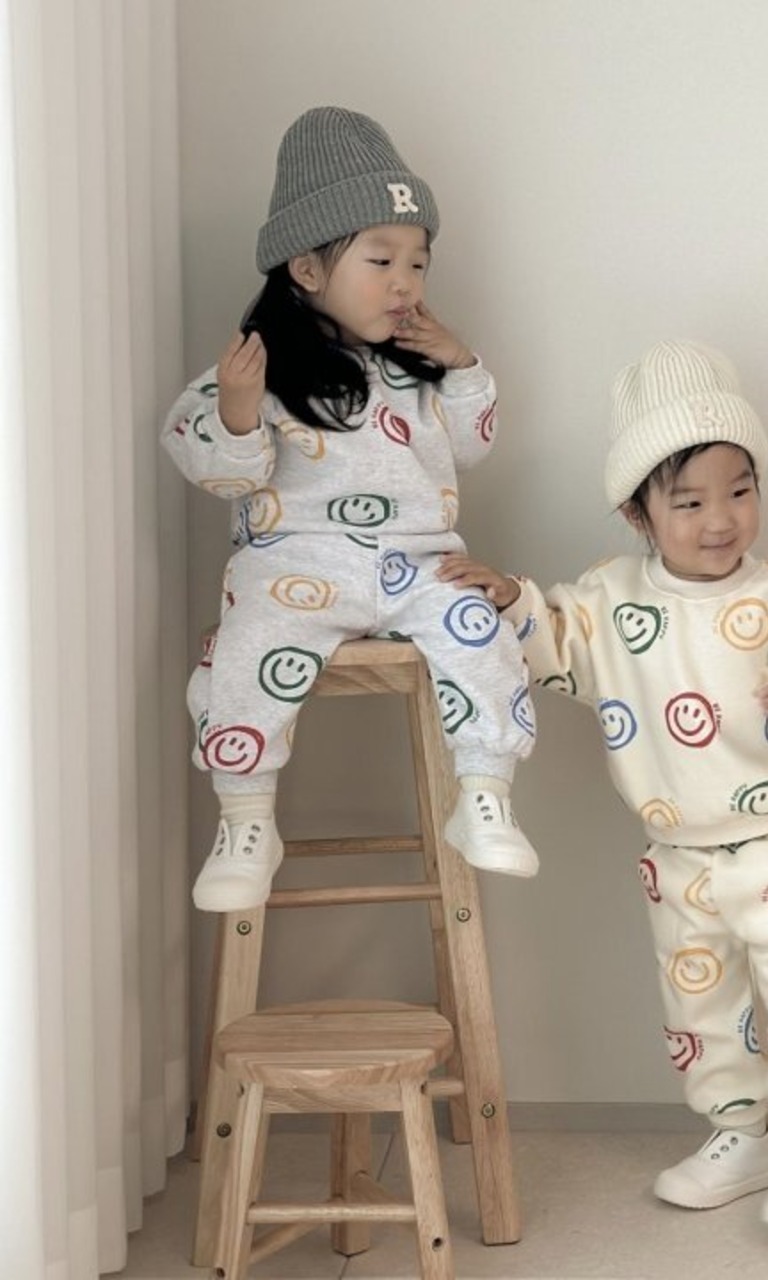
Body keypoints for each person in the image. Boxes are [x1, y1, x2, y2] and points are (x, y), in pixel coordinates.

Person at [439, 340, 768, 1236]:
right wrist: (509, 597)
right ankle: (738, 1137)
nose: (721, 520)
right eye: (690, 501)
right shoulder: (611, 597)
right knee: (702, 1011)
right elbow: (555, 641)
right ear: (639, 512)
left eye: (740, 492)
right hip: (678, 856)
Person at [162, 106, 540, 913]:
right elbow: (216, 472)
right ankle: (246, 819)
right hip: (297, 566)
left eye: (418, 263)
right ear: (306, 268)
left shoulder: (419, 371)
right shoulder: (261, 369)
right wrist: (236, 410)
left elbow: (472, 447)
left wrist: (463, 367)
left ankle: (485, 792)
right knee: (246, 645)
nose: (406, 283)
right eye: (381, 260)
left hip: (418, 564)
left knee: (481, 629)